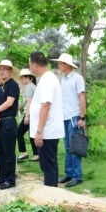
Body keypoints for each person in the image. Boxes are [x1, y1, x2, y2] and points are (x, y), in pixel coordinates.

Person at [29, 51, 64, 187]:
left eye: (29, 64)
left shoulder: (48, 80)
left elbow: (45, 106)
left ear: (34, 64)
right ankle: (52, 193)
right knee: (48, 165)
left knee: (48, 166)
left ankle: (50, 195)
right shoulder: (46, 78)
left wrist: (39, 131)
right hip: (47, 130)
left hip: (47, 132)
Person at [51, 53, 86, 188]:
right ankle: (69, 173)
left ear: (67, 65)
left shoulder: (77, 78)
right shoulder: (63, 80)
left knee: (74, 147)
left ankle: (77, 176)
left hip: (74, 117)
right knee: (67, 147)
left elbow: (81, 97)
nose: (59, 65)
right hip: (64, 117)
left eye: (61, 63)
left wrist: (82, 117)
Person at [0, 59, 21, 190]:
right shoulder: (0, 87)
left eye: (4, 69)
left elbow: (9, 102)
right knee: (0, 151)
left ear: (10, 71)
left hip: (8, 121)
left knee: (8, 152)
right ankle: (2, 177)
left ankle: (10, 179)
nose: (1, 71)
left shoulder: (13, 85)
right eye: (0, 69)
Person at [16, 68, 38, 161]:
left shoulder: (29, 87)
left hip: (30, 114)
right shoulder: (32, 86)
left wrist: (27, 116)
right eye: (21, 78)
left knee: (19, 133)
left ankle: (24, 153)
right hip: (34, 113)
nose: (22, 80)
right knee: (31, 134)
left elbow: (29, 101)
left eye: (23, 78)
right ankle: (36, 154)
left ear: (29, 78)